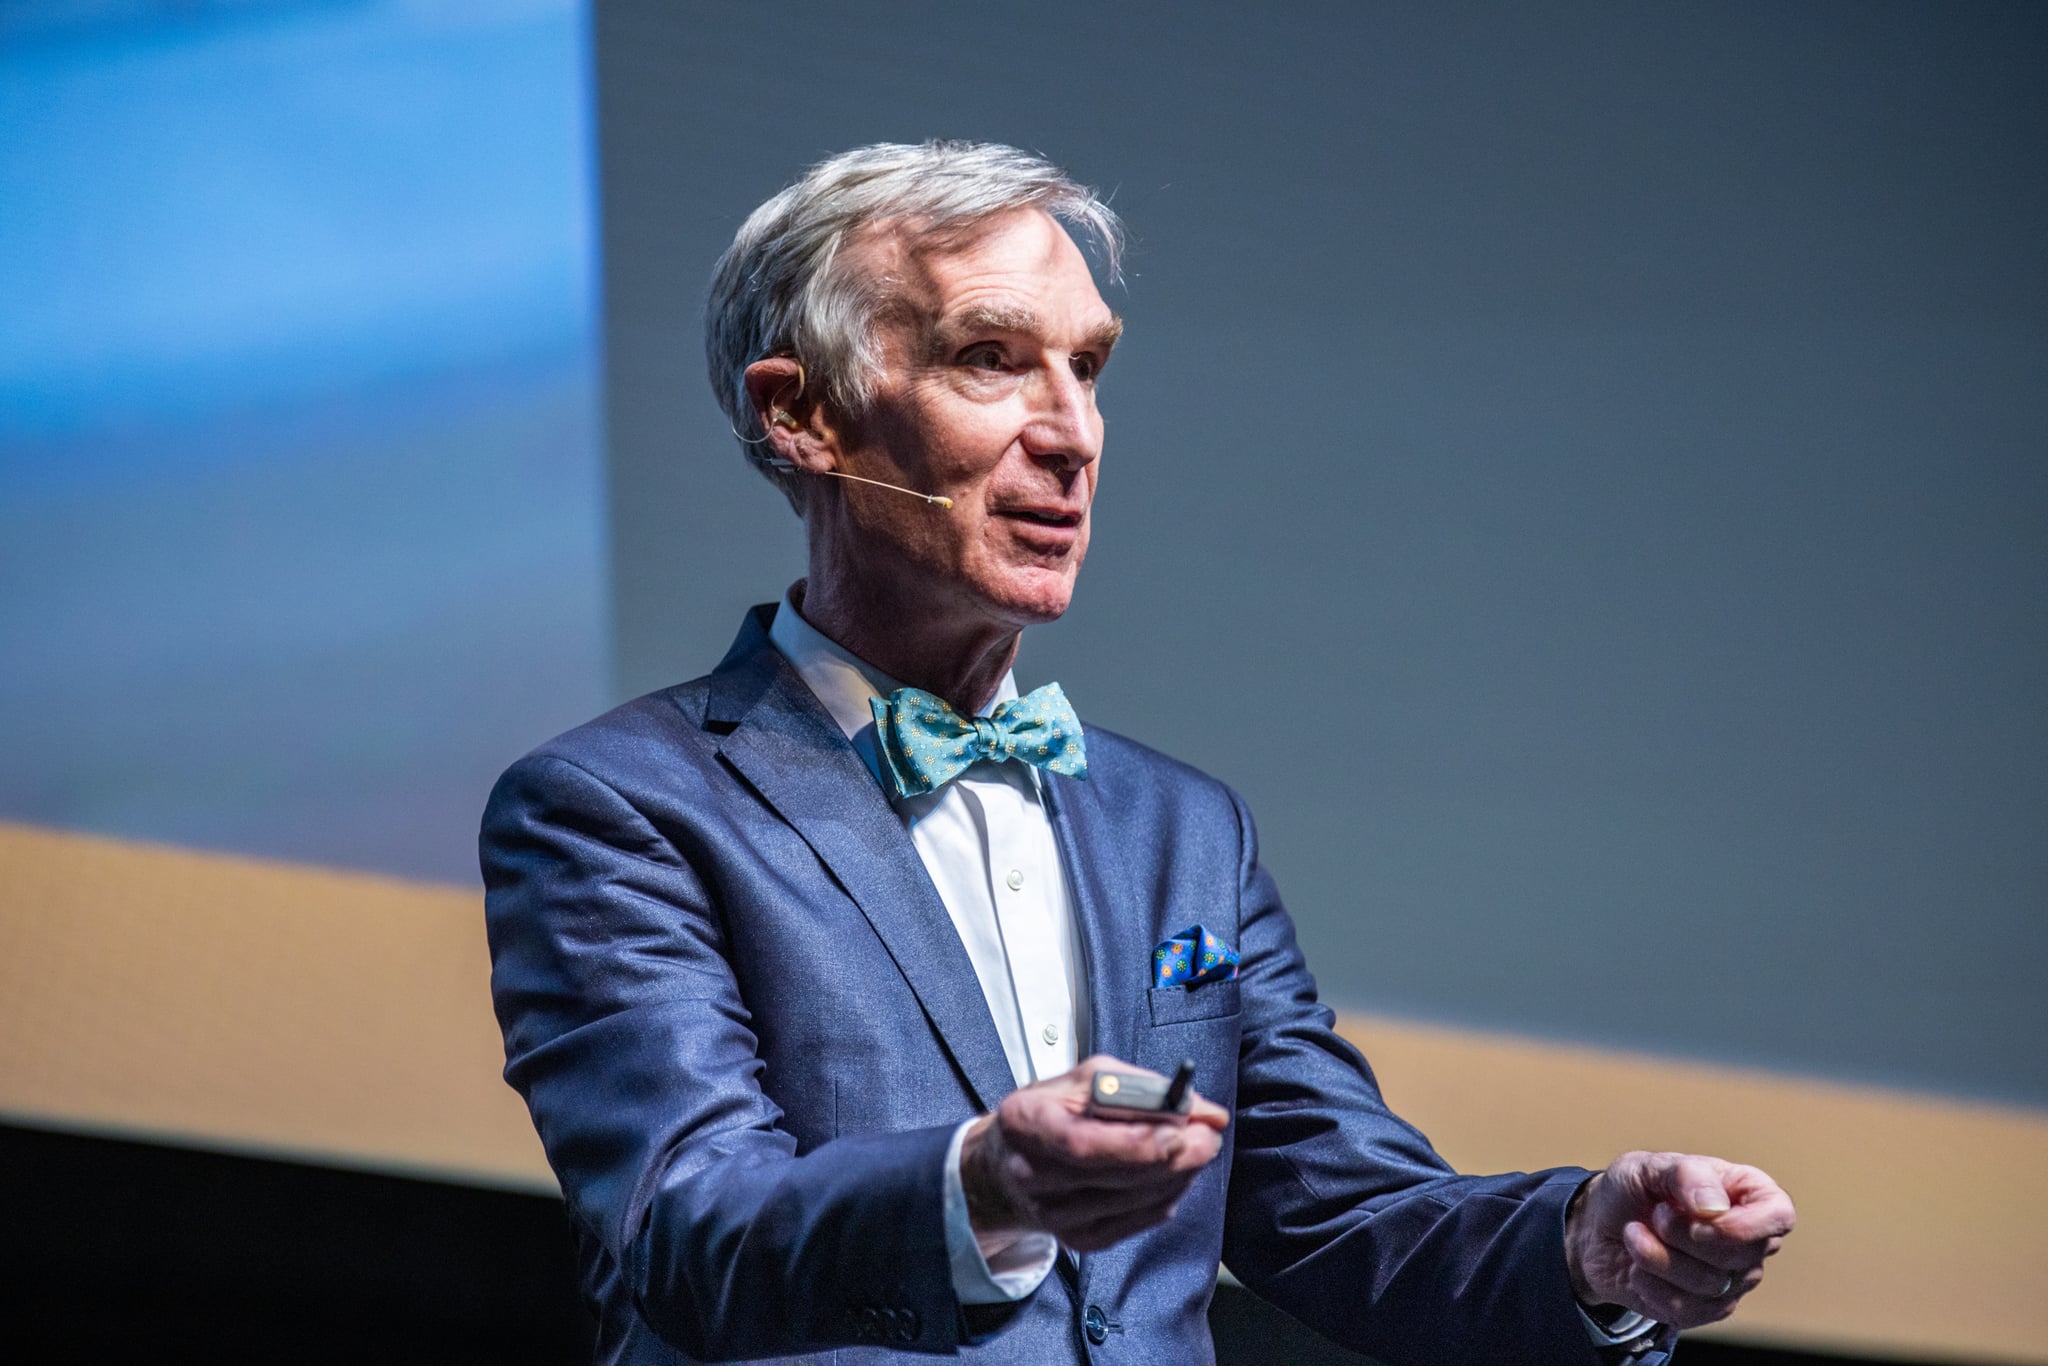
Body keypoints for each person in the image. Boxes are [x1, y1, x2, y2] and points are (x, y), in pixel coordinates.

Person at [481, 141, 1795, 1366]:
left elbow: (1336, 1208)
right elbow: (684, 1224)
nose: (1070, 433)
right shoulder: (618, 807)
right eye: (991, 358)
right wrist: (982, 1183)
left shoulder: (1181, 829)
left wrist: (1583, 1243)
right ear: (803, 418)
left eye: (1089, 367)